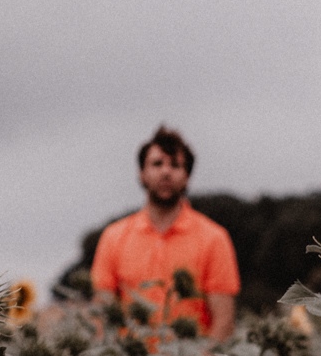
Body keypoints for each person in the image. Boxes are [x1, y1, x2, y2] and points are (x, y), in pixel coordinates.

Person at [90, 125, 240, 341]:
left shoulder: (214, 238)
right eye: (157, 163)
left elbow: (224, 321)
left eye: (175, 165)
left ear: (187, 176)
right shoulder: (113, 237)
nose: (166, 171)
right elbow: (101, 315)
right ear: (142, 174)